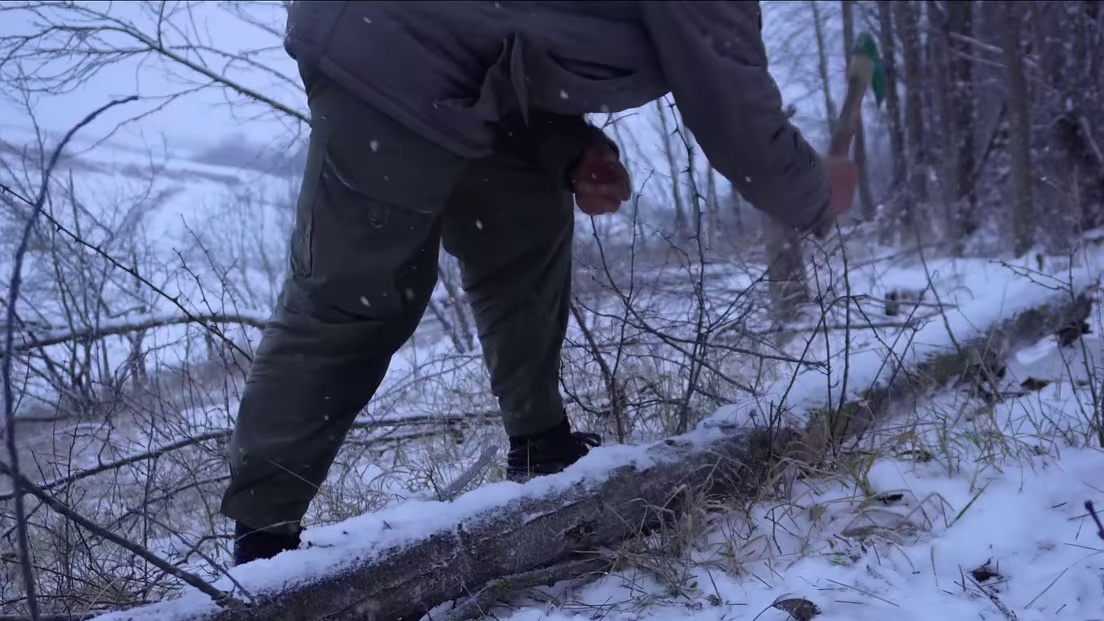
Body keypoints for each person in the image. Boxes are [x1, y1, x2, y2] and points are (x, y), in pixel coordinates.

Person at [220, 0, 858, 566]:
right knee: (358, 296)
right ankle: (263, 545)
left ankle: (541, 443)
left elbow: (505, 27)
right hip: (388, 43)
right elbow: (730, 104)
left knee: (524, 213)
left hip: (459, 60)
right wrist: (812, 191)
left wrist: (570, 146)